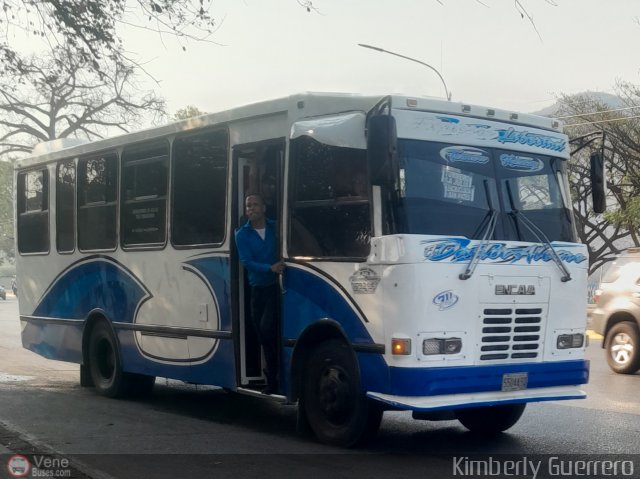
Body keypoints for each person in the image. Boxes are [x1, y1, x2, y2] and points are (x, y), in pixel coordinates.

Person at [234, 193, 285, 394]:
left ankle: (274, 379)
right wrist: (270, 268)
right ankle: (272, 376)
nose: (251, 208)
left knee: (268, 329)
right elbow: (246, 262)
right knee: (263, 334)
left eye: (255, 204)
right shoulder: (242, 234)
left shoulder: (276, 227)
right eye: (248, 206)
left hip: (276, 289)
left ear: (264, 207)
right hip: (257, 290)